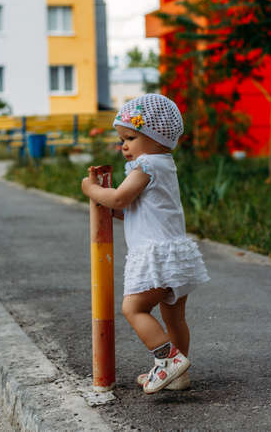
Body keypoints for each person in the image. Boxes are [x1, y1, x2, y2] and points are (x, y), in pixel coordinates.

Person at [81, 93, 210, 394]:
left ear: (155, 137)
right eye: (121, 139)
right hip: (175, 254)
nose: (123, 146)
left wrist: (91, 190)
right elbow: (132, 210)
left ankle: (166, 361)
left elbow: (119, 198)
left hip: (157, 256)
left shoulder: (146, 166)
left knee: (133, 308)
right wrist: (112, 210)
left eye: (130, 138)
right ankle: (179, 374)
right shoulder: (164, 165)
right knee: (174, 317)